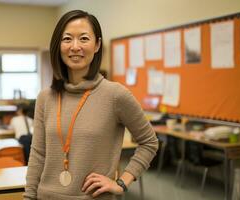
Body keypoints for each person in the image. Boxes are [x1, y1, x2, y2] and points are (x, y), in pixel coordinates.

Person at [24, 10, 158, 200]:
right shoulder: (46, 97)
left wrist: (121, 183)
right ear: (58, 45)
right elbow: (38, 154)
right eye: (67, 39)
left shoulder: (115, 94)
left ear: (97, 45)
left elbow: (149, 142)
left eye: (84, 39)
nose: (75, 46)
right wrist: (29, 197)